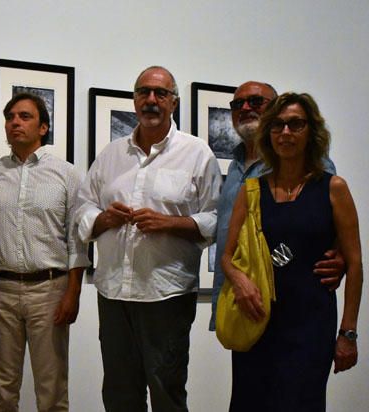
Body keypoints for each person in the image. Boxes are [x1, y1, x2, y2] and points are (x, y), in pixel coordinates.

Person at [75, 66, 221, 411]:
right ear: (134, 100)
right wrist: (103, 218)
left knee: (166, 392)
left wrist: (170, 223)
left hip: (166, 295)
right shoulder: (111, 154)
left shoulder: (197, 153)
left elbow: (217, 219)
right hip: (114, 294)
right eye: (143, 92)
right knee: (119, 394)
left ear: (174, 102)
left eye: (160, 94)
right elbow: (82, 208)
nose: (151, 100)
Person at [221, 92, 363, 411]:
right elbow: (227, 256)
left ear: (311, 131)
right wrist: (239, 282)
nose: (286, 133)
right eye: (279, 125)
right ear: (268, 133)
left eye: (296, 124)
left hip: (310, 326)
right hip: (257, 321)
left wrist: (348, 333)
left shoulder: (333, 188)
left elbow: (354, 265)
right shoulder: (251, 190)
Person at [0, 92, 89, 412]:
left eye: (24, 116)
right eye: (10, 117)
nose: (15, 122)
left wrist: (73, 293)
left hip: (50, 289)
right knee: (1, 387)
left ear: (43, 127)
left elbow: (77, 240)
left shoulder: (67, 174)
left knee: (51, 387)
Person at [209, 81, 344, 331]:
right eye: (238, 103)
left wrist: (340, 255)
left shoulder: (313, 164)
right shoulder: (233, 166)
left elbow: (327, 219)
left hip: (296, 302)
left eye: (256, 101)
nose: (246, 107)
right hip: (241, 299)